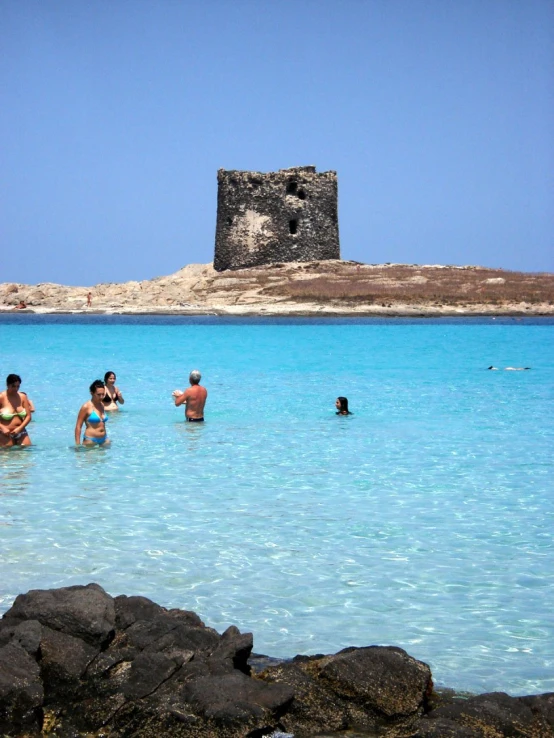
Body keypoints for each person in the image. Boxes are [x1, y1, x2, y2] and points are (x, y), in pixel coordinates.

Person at [0, 374, 32, 446]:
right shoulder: (1, 397)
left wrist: (20, 428)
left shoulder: (23, 397)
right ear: (7, 385)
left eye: (18, 386)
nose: (16, 389)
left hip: (21, 431)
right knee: (7, 454)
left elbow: (28, 416)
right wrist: (2, 428)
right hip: (4, 432)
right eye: (13, 386)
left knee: (27, 450)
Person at [75, 380, 110, 446]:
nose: (101, 397)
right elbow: (78, 426)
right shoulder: (86, 407)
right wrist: (77, 445)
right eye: (98, 395)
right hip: (90, 440)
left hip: (104, 439)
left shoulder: (101, 405)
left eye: (103, 394)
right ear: (92, 393)